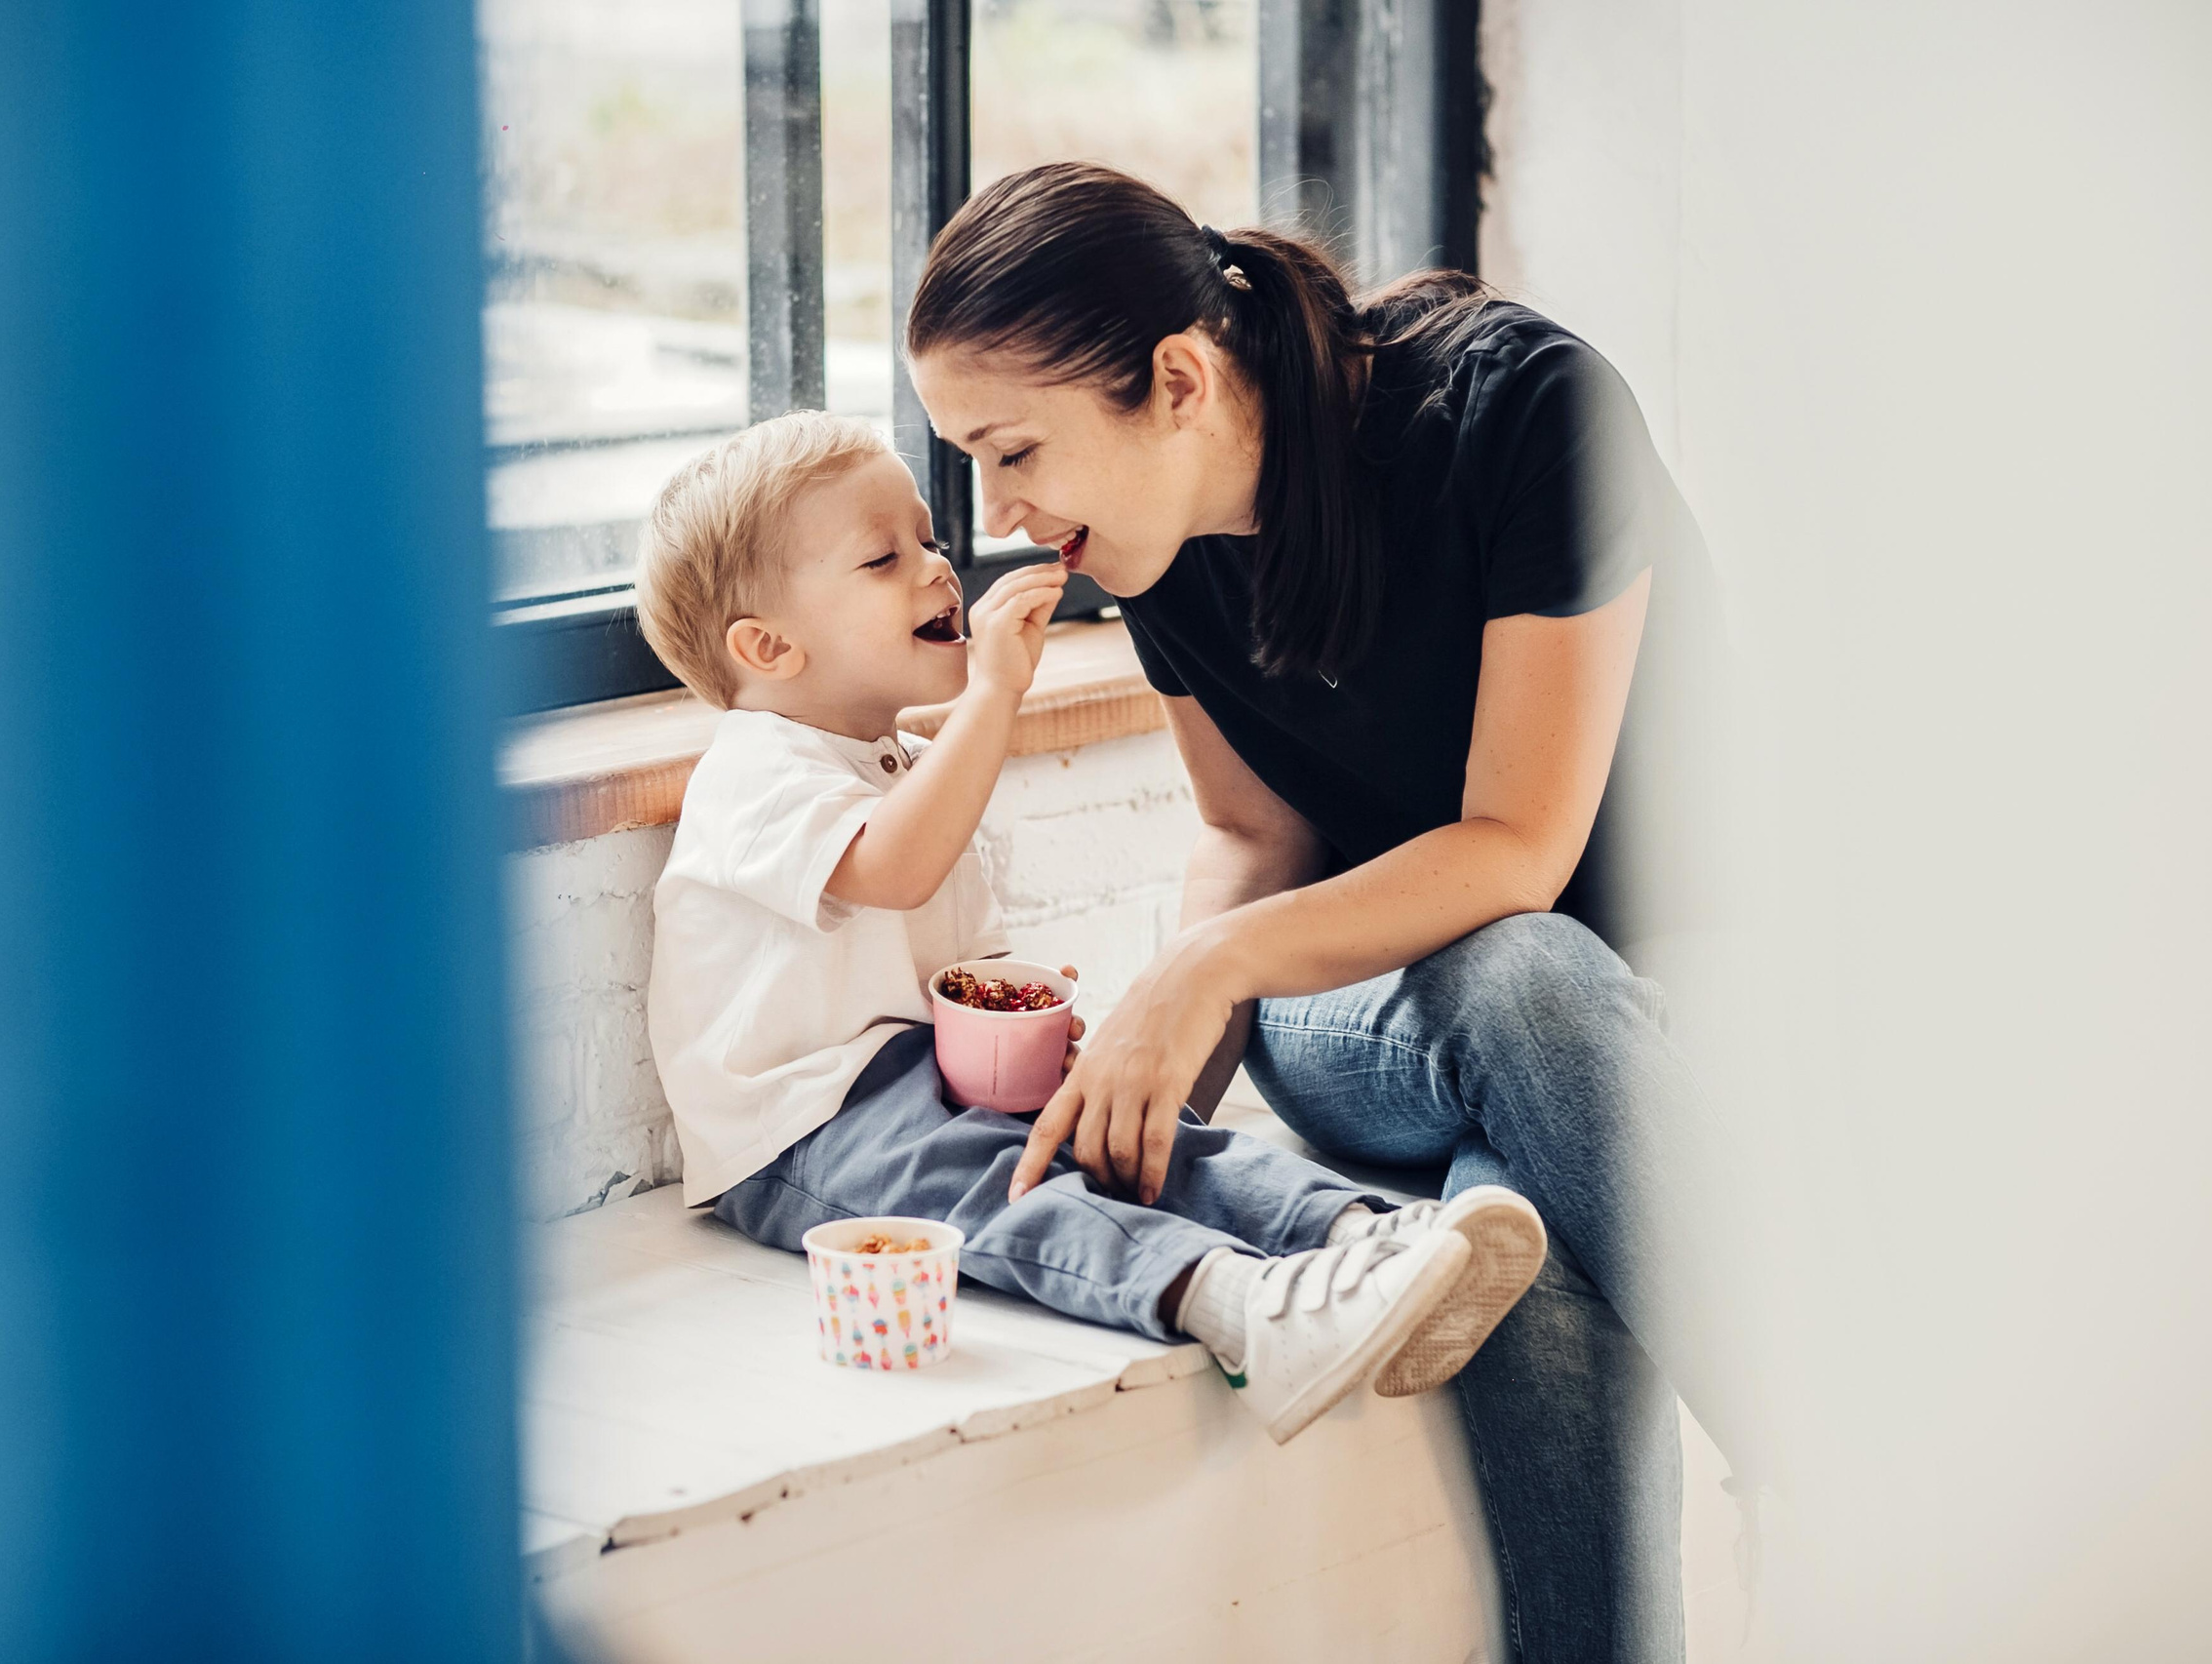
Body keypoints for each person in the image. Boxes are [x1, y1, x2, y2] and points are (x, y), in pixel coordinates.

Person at [906, 161, 1752, 1662]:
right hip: (1362, 1017)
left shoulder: (1524, 413)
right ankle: (1847, 1455)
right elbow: (1251, 832)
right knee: (1511, 981)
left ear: (1176, 378)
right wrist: (1156, 1090)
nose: (999, 510)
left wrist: (1200, 966)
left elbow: (1518, 847)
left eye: (1013, 447)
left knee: (1519, 1212)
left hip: (1627, 1000)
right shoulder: (1146, 547)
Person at [634, 410, 1548, 1446]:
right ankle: (1237, 1304)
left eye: (929, 540)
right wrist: (994, 695)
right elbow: (894, 867)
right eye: (884, 558)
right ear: (766, 646)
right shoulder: (755, 768)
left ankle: (1368, 1238)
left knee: (1133, 1140)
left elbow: (938, 958)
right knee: (1008, 1188)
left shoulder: (888, 762)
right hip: (800, 1123)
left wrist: (1021, 1026)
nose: (938, 570)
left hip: (917, 1080)